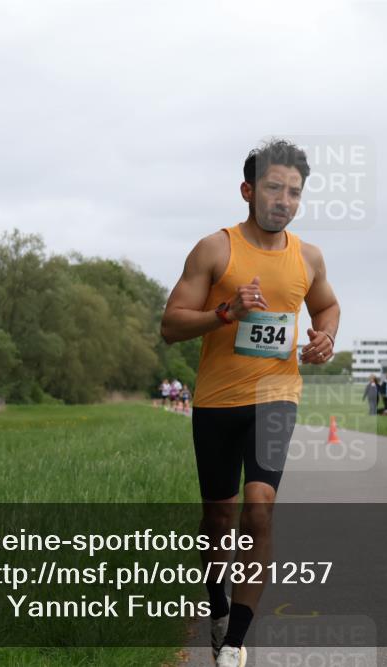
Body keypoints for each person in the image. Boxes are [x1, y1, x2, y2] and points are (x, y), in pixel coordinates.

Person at [160, 139, 340, 667]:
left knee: (258, 508)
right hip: (217, 401)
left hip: (275, 397)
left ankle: (235, 644)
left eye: (294, 192)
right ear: (248, 190)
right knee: (220, 516)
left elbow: (326, 306)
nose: (284, 200)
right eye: (273, 188)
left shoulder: (308, 256)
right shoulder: (215, 250)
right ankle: (217, 610)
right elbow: (170, 325)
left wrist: (326, 337)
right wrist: (225, 312)